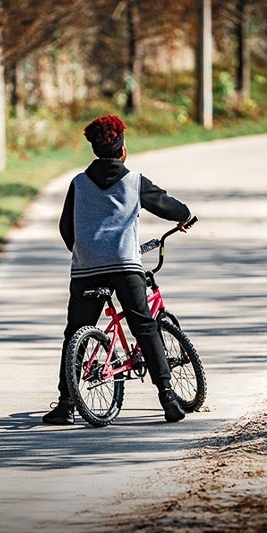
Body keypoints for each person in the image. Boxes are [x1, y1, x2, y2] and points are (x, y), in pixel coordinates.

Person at [44, 114, 195, 425]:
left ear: (95, 150)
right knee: (144, 326)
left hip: (86, 268)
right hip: (125, 266)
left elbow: (65, 226)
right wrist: (186, 215)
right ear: (122, 150)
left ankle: (66, 404)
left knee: (75, 331)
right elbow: (165, 204)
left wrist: (83, 252)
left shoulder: (78, 184)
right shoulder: (134, 181)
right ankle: (168, 398)